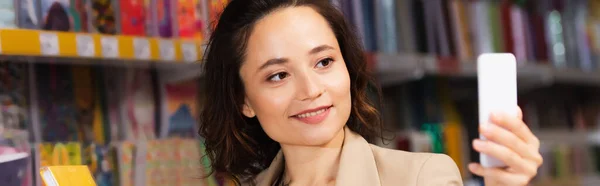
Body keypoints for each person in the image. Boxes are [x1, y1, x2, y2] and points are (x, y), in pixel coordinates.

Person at [198, 0, 543, 185]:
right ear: (243, 99)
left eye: (323, 62)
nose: (311, 90)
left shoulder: (421, 178)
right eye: (278, 75)